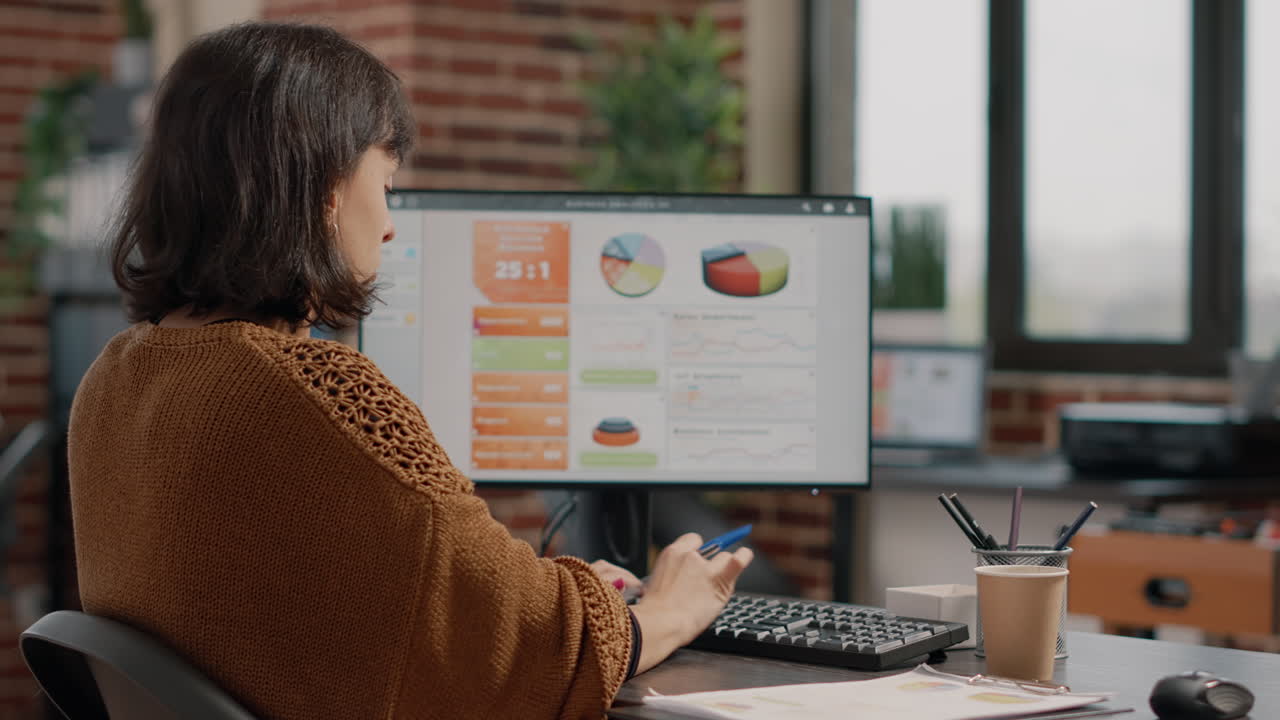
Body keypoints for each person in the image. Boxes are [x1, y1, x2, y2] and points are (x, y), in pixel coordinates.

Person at [69, 22, 752, 720]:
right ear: (325, 186)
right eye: (386, 184)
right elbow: (541, 649)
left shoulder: (115, 380)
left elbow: (345, 596)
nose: (390, 224)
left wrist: (559, 591)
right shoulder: (320, 395)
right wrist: (667, 610)